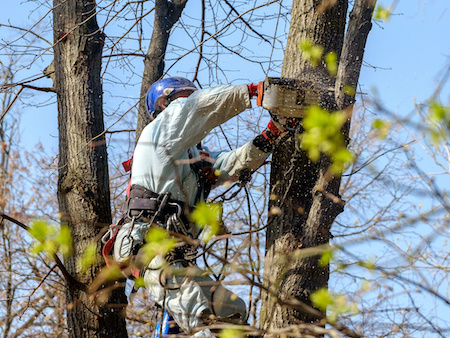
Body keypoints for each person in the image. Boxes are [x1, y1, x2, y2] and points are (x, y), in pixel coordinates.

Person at [113, 77, 287, 337]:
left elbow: (232, 163)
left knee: (232, 310)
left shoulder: (191, 156)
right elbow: (197, 108)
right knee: (198, 316)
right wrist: (251, 93)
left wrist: (272, 134)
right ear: (164, 103)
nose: (195, 99)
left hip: (175, 253)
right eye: (186, 97)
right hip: (146, 244)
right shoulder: (158, 134)